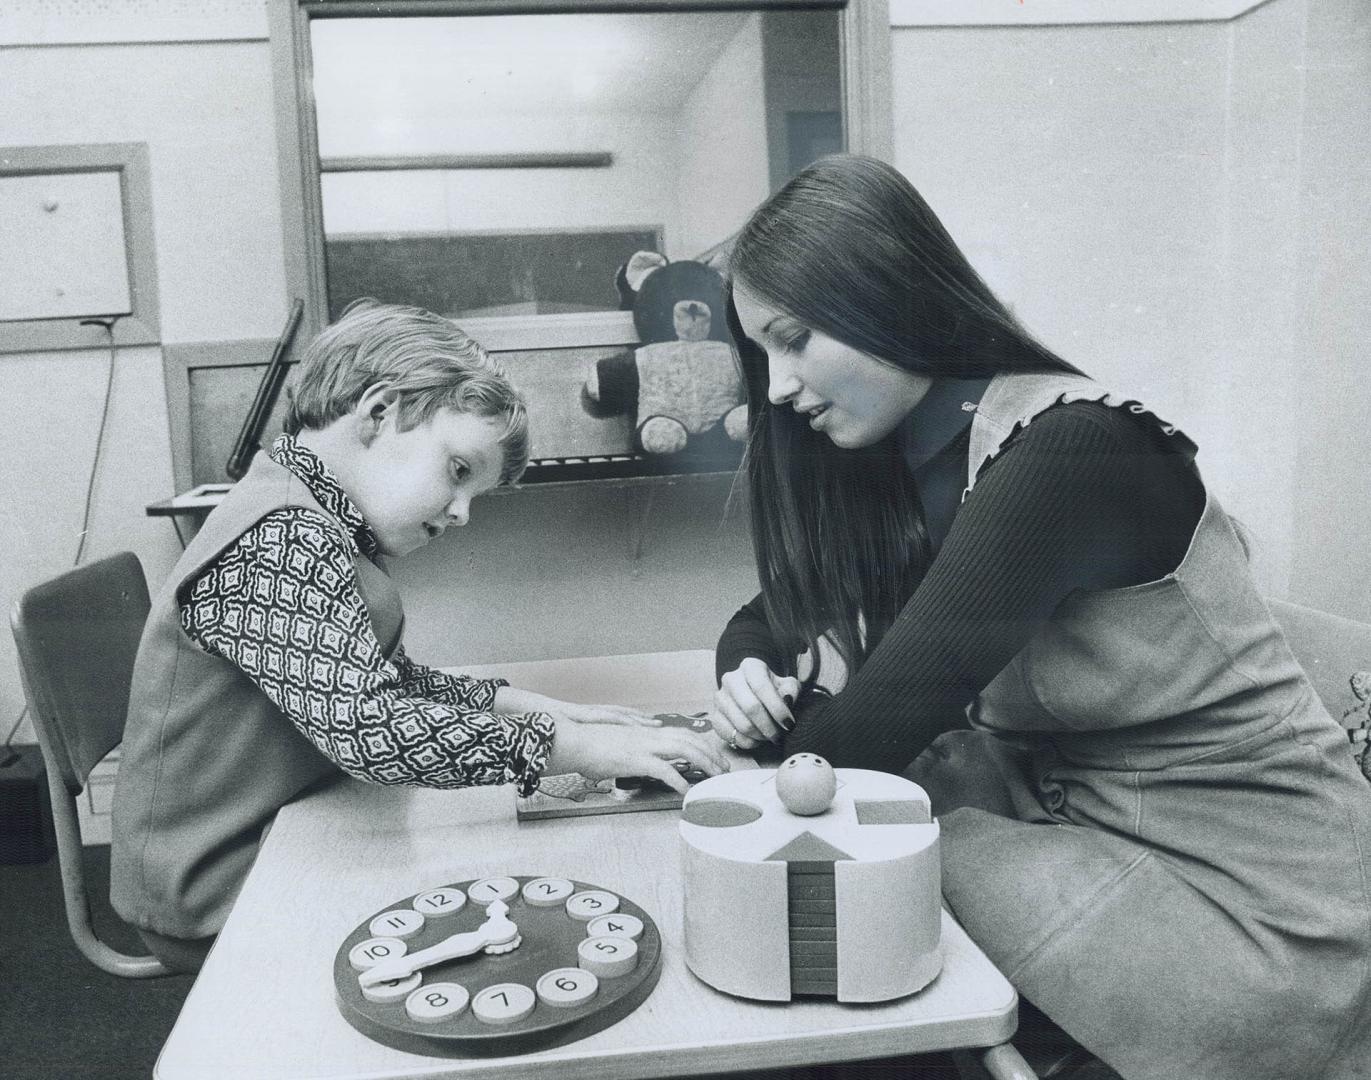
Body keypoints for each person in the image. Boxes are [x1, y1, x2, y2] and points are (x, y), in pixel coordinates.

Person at [711, 155, 1371, 1080]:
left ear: (885, 295)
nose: (778, 387)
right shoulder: (917, 456)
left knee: (848, 916)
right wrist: (745, 675)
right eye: (762, 355)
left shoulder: (1068, 452)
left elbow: (859, 746)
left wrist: (777, 741)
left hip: (1259, 904)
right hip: (1100, 837)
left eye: (795, 339)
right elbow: (769, 615)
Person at [111, 300, 728, 972]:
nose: (461, 514)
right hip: (220, 878)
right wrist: (572, 748)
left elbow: (391, 681)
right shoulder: (282, 534)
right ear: (379, 414)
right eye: (458, 471)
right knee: (523, 907)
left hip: (281, 829)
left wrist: (532, 708)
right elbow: (370, 728)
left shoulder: (308, 512)